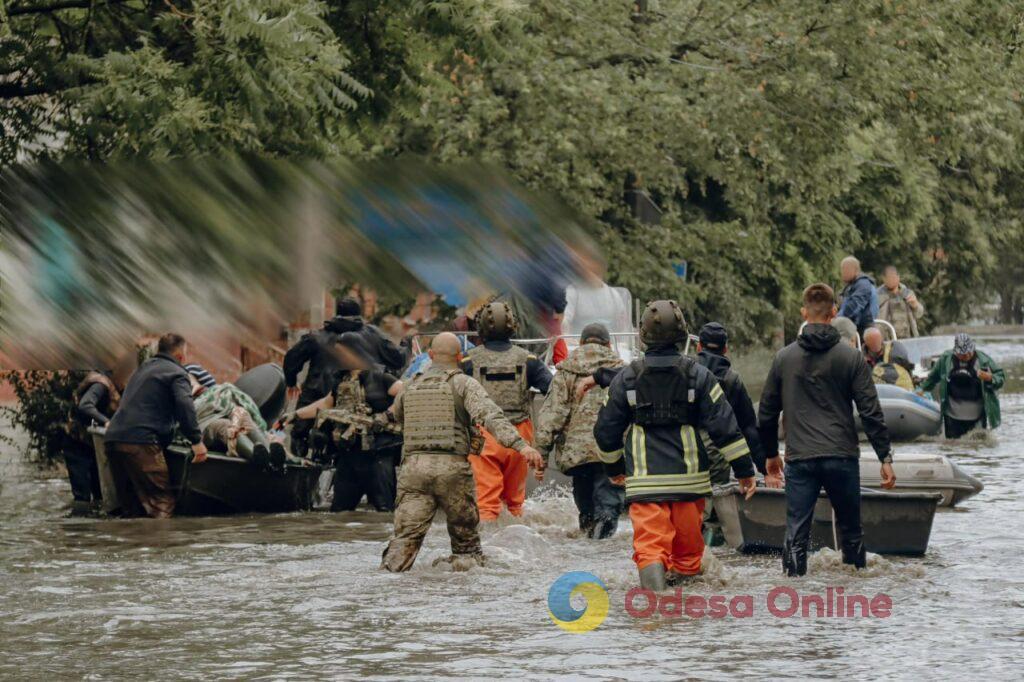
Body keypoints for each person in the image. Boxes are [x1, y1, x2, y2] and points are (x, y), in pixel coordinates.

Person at [594, 300, 758, 590]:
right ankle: (684, 622)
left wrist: (614, 468)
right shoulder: (700, 376)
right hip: (689, 483)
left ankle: (655, 611)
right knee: (688, 555)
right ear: (684, 336)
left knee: (650, 549)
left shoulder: (626, 378)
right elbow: (726, 427)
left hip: (645, 485)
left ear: (642, 336)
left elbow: (606, 431)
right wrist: (745, 471)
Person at [758, 284, 895, 577]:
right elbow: (871, 412)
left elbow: (767, 413)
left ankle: (793, 596)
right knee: (851, 531)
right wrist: (885, 457)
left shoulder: (784, 358)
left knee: (796, 534)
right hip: (842, 457)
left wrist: (770, 455)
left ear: (804, 312)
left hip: (801, 458)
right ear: (834, 312)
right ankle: (855, 597)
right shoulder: (852, 358)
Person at [381, 333, 545, 572]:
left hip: (414, 470)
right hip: (453, 471)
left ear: (430, 355)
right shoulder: (463, 384)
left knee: (404, 540)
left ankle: (388, 587)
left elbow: (395, 418)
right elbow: (490, 416)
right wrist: (522, 446)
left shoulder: (410, 386)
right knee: (466, 548)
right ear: (460, 357)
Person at [283, 333, 403, 511]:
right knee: (338, 512)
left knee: (385, 512)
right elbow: (325, 404)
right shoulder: (340, 381)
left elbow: (406, 393)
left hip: (377, 457)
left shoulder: (380, 376)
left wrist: (387, 415)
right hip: (348, 457)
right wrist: (295, 415)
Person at [461, 301, 552, 520]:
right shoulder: (529, 360)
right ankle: (517, 546)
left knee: (486, 503)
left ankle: (490, 549)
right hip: (520, 438)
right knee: (515, 503)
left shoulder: (467, 361)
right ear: (513, 326)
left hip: (482, 437)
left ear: (480, 328)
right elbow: (553, 390)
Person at [535, 323, 625, 539]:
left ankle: (586, 553)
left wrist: (541, 458)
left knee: (586, 510)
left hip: (577, 454)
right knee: (608, 510)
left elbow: (551, 418)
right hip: (611, 452)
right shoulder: (621, 370)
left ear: (582, 343)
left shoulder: (565, 370)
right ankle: (602, 556)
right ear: (608, 344)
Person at [104, 333, 207, 518]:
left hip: (113, 440)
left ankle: (126, 546)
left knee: (131, 510)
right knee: (162, 504)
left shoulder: (142, 369)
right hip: (141, 443)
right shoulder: (177, 372)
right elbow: (185, 405)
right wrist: (196, 441)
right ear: (181, 357)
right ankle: (162, 546)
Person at [695, 322, 769, 484]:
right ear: (725, 349)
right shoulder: (732, 381)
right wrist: (765, 469)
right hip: (718, 463)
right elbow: (749, 428)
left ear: (698, 347)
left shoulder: (687, 375)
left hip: (687, 460)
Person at [191, 377, 286, 472]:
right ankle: (257, 457)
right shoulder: (182, 379)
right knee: (225, 425)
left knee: (241, 413)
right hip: (202, 421)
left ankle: (271, 456)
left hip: (219, 409)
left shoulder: (196, 378)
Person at [920, 333, 1005, 438]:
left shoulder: (983, 360)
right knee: (953, 446)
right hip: (952, 415)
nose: (967, 355)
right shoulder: (946, 359)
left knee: (978, 446)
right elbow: (932, 378)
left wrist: (990, 378)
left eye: (970, 352)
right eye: (963, 354)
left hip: (977, 416)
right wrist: (921, 390)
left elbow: (1000, 377)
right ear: (956, 352)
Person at [64, 370, 123, 513]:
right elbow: (85, 405)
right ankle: (80, 528)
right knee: (82, 495)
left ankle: (96, 528)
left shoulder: (110, 383)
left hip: (91, 443)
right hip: (77, 444)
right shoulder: (100, 384)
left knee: (99, 493)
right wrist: (106, 421)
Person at [877, 266, 925, 338]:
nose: (891, 280)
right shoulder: (878, 296)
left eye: (893, 277)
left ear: (898, 277)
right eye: (889, 278)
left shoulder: (907, 293)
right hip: (887, 338)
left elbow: (919, 314)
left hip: (908, 337)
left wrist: (915, 305)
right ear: (884, 279)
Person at [837, 256, 879, 335]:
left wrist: (837, 319)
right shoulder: (851, 286)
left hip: (864, 329)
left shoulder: (863, 285)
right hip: (856, 327)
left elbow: (853, 307)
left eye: (844, 269)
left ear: (855, 270)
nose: (842, 273)